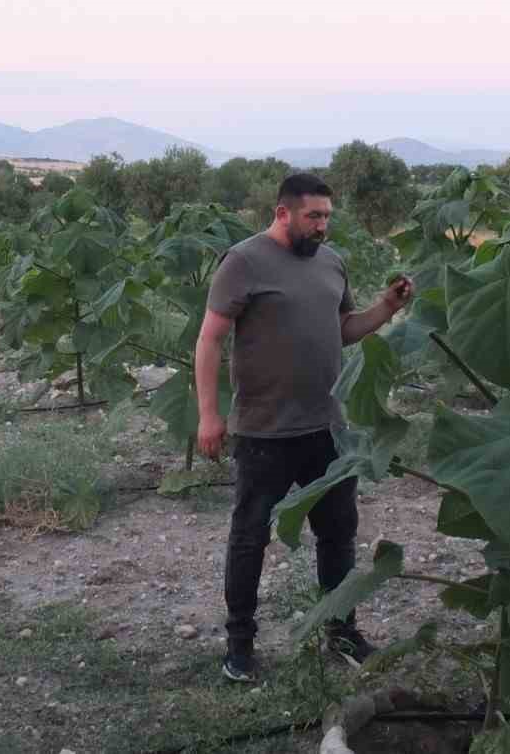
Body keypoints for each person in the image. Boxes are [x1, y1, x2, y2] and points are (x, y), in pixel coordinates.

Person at [195, 172, 414, 684]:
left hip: (327, 428)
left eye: (327, 217)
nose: (322, 226)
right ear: (282, 213)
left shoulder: (332, 262)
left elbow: (344, 329)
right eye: (313, 216)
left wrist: (387, 307)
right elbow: (209, 341)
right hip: (265, 432)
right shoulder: (243, 262)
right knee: (250, 537)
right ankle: (240, 643)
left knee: (338, 534)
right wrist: (210, 414)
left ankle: (341, 630)